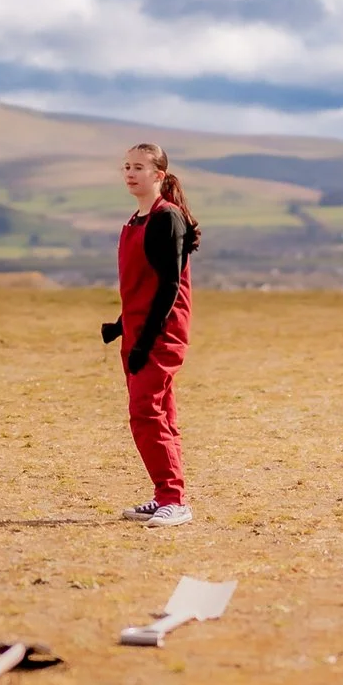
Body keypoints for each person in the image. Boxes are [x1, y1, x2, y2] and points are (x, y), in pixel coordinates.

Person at [102, 143, 199, 527]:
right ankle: (166, 495)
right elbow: (141, 284)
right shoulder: (135, 219)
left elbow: (169, 286)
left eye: (139, 167)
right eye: (126, 166)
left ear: (158, 174)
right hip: (139, 331)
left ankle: (175, 500)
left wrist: (144, 341)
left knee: (145, 413)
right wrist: (122, 324)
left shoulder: (166, 218)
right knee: (160, 414)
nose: (130, 173)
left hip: (161, 333)